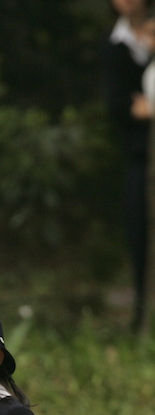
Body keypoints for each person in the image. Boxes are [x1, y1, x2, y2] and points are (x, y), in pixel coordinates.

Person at [103, 0, 153, 332]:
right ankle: (143, 320)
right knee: (141, 238)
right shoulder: (114, 45)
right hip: (140, 157)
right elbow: (120, 106)